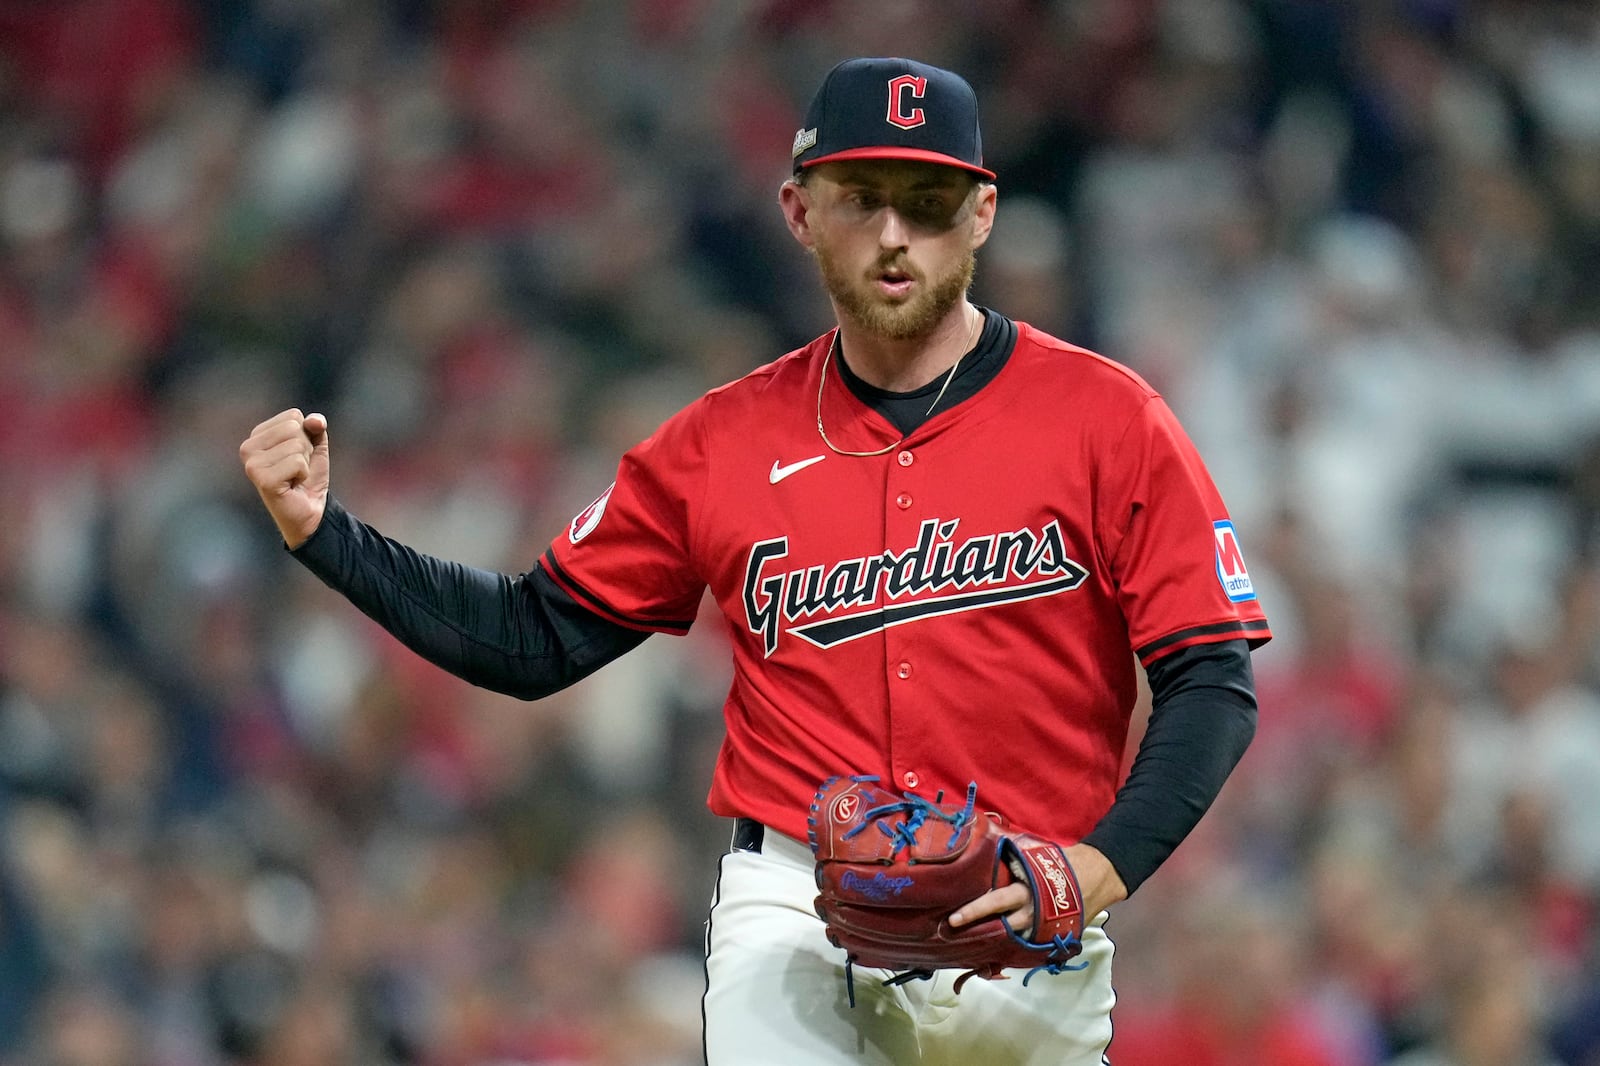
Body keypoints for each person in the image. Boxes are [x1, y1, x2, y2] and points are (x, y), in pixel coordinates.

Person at [240, 56, 1271, 1066]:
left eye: (929, 199)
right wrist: (329, 536)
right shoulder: (718, 443)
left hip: (1024, 903)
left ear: (983, 213)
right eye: (861, 197)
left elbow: (1213, 679)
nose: (895, 232)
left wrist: (1095, 869)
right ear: (797, 211)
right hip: (794, 903)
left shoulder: (1105, 418)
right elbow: (529, 637)